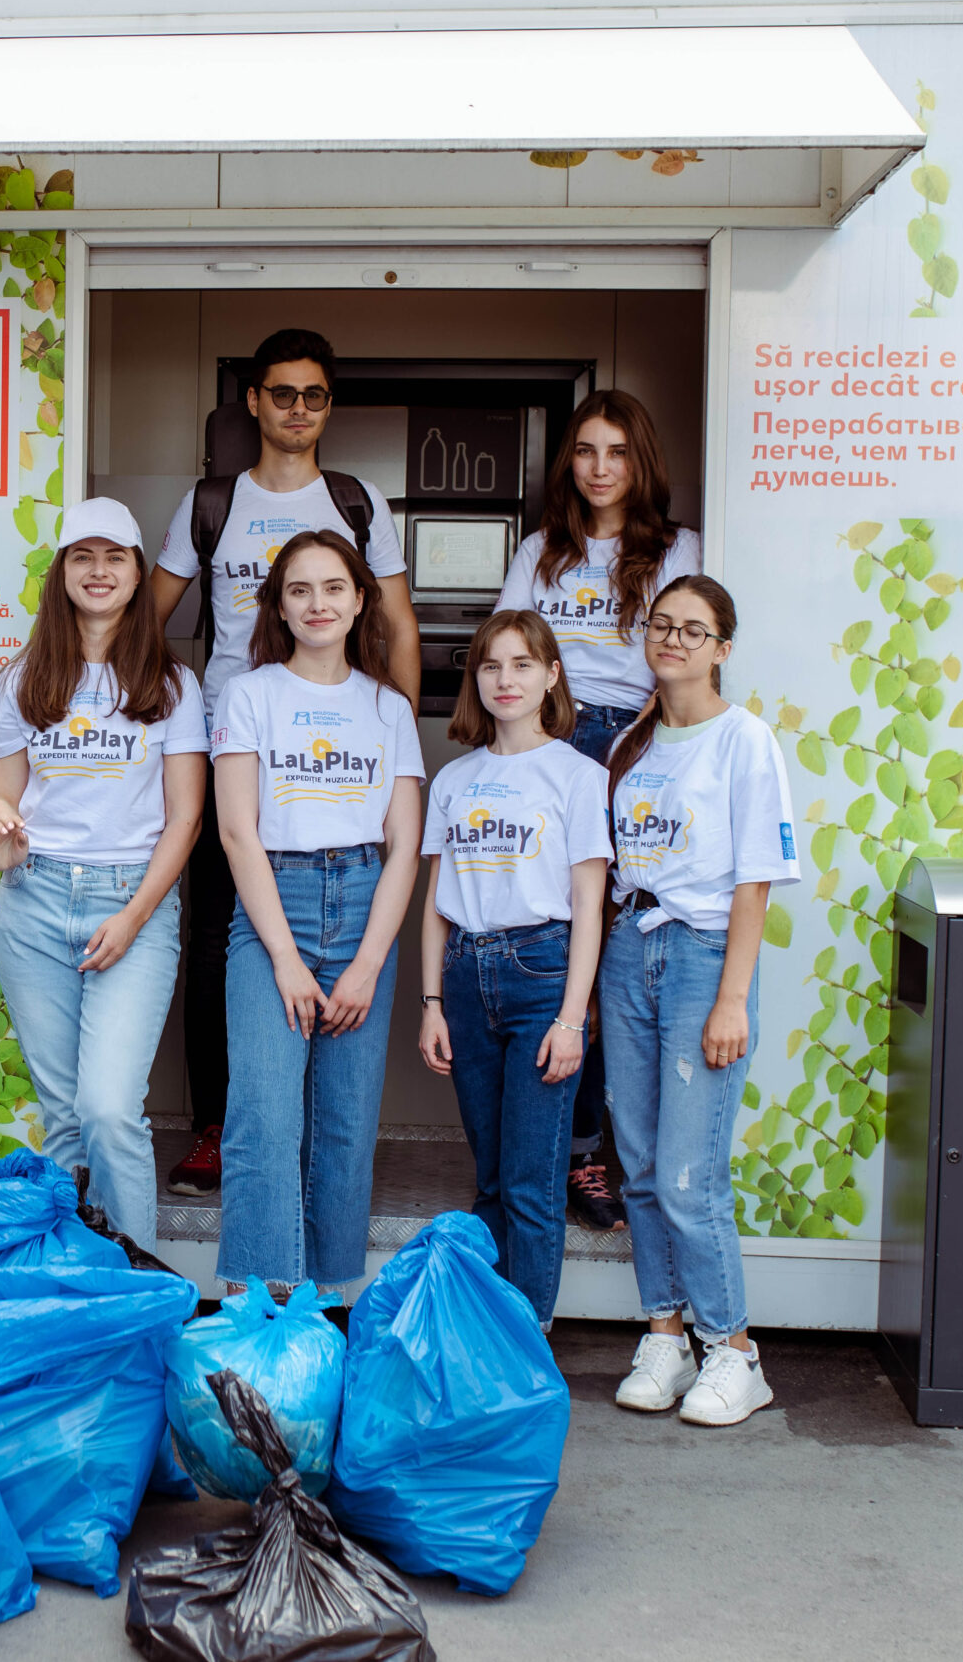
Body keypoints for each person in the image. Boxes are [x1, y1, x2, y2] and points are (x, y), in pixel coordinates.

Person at [149, 327, 421, 1199]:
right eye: (281, 393)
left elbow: (402, 626)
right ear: (255, 402)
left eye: (313, 395)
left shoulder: (357, 501)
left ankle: (314, 1133)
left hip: (332, 757)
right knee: (223, 941)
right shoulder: (211, 502)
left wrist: (396, 734)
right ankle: (219, 1130)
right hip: (232, 751)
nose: (297, 409)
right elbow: (144, 624)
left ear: (327, 407)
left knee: (336, 935)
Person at [494, 389, 701, 1235]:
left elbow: (686, 653)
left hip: (639, 749)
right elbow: (507, 639)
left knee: (618, 946)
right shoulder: (542, 552)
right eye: (585, 450)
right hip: (556, 741)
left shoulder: (677, 547)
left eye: (617, 450)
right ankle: (572, 1151)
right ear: (568, 462)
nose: (601, 466)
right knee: (556, 939)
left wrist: (645, 751)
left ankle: (615, 1149)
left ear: (640, 459)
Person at [600, 574, 798, 1427]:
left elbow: (755, 880)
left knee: (689, 1176)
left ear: (722, 647)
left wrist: (733, 998)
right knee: (639, 1168)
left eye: (695, 629)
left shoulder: (743, 740)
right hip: (627, 947)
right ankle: (666, 1334)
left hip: (702, 955)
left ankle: (735, 1351)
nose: (674, 638)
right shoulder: (632, 746)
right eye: (662, 624)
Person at [0, 498, 209, 1247]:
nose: (100, 570)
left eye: (115, 557)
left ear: (139, 572)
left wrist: (137, 913)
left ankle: (135, 1287)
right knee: (65, 1121)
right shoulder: (21, 679)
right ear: (62, 574)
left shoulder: (175, 687)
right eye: (83, 556)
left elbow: (186, 820)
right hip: (35, 902)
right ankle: (75, 1294)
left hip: (131, 905)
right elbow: (5, 794)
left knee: (111, 1107)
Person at [211, 530, 425, 1294]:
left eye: (334, 587)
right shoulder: (250, 694)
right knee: (264, 1121)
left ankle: (328, 1304)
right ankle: (255, 1307)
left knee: (343, 1127)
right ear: (277, 603)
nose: (317, 603)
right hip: (278, 905)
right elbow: (237, 832)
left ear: (361, 598)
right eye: (298, 589)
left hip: (366, 905)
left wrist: (368, 963)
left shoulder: (388, 707)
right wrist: (285, 957)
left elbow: (405, 844)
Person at [415, 609, 612, 1328]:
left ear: (551, 676)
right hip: (467, 976)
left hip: (541, 976)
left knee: (532, 1182)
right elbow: (436, 903)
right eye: (492, 665)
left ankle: (528, 1344)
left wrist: (571, 1018)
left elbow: (590, 907)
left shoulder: (580, 776)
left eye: (523, 664)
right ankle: (489, 1332)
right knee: (492, 1178)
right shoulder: (454, 778)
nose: (506, 679)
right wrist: (431, 1002)